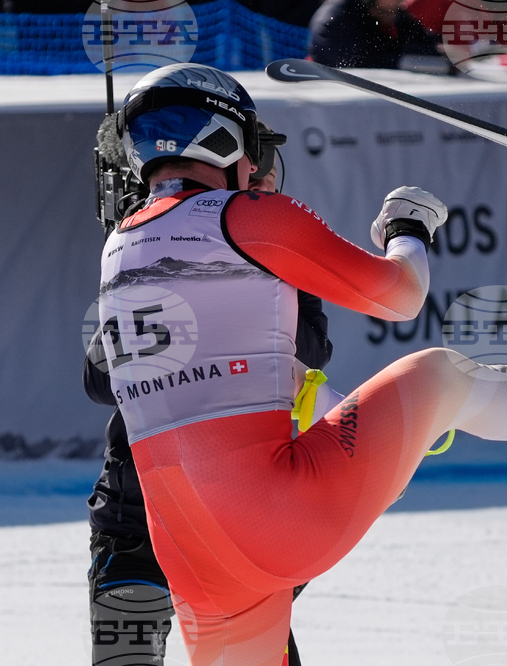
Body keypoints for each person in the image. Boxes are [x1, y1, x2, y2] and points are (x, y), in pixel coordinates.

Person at [100, 62, 507, 666]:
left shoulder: (117, 248)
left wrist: (386, 430)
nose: (258, 169)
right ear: (223, 138)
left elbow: (240, 389)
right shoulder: (242, 214)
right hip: (275, 515)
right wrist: (407, 229)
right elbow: (400, 295)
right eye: (254, 148)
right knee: (440, 375)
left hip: (189, 555)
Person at [85, 118, 331, 666]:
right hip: (140, 517)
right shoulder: (140, 249)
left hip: (237, 515)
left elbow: (312, 349)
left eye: (266, 184)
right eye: (254, 178)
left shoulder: (282, 255)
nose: (263, 190)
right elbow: (101, 379)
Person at [308, 0, 440, 68]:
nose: (402, 2)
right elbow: (364, 65)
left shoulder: (387, 11)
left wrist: (442, 50)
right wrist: (406, 54)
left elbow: (426, 40)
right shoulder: (335, 22)